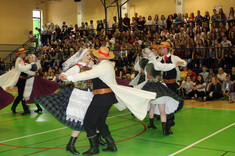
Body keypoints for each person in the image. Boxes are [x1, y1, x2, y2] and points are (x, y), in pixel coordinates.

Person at [59, 47, 156, 155]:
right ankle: (111, 145)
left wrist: (69, 78)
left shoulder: (103, 66)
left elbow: (88, 74)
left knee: (88, 122)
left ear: (99, 57)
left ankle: (94, 148)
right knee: (100, 123)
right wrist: (67, 75)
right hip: (106, 97)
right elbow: (88, 70)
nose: (91, 56)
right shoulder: (105, 65)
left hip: (102, 97)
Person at [35, 49, 107, 155]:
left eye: (89, 55)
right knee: (80, 120)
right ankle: (71, 144)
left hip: (90, 95)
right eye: (87, 55)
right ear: (81, 57)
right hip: (79, 96)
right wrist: (63, 76)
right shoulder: (77, 67)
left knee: (94, 118)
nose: (89, 57)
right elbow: (65, 76)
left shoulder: (90, 66)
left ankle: (97, 139)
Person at [141, 50, 184, 136]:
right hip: (158, 88)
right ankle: (164, 130)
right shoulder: (156, 64)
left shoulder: (147, 66)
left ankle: (151, 123)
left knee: (152, 107)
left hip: (150, 88)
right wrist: (175, 65)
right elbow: (165, 67)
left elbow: (147, 77)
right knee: (162, 110)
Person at [0, 48, 37, 115]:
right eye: (24, 53)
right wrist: (30, 66)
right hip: (20, 80)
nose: (25, 54)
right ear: (21, 54)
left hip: (22, 80)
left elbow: (24, 68)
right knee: (23, 95)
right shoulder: (19, 60)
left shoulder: (21, 60)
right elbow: (22, 68)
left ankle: (14, 107)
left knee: (21, 95)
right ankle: (26, 110)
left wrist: (30, 70)